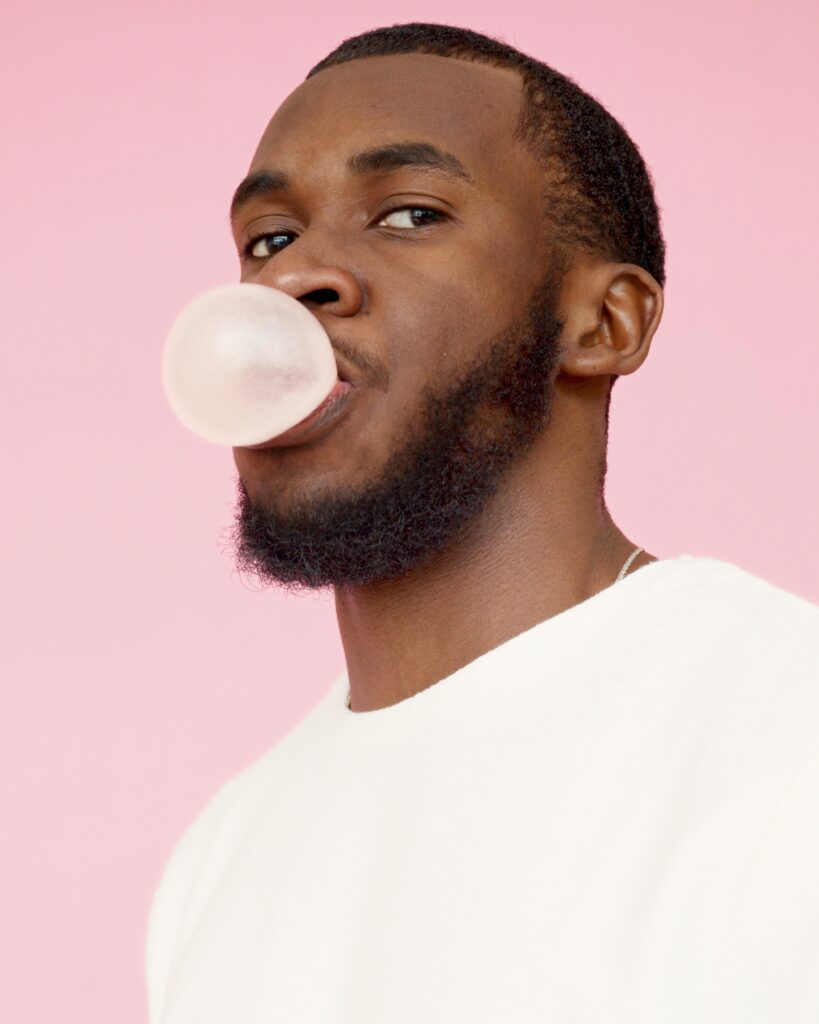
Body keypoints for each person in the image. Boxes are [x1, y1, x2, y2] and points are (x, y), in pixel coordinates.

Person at [145, 23, 819, 1024]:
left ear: (605, 323)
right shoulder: (218, 859)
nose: (294, 279)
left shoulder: (783, 733)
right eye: (269, 239)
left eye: (410, 214)